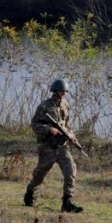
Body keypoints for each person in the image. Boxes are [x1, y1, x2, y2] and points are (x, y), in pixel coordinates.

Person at [24, 78, 84, 213]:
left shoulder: (65, 105)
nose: (63, 93)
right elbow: (34, 124)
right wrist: (49, 129)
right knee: (40, 175)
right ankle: (30, 193)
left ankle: (67, 202)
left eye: (64, 91)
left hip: (62, 146)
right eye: (61, 91)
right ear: (55, 91)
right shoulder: (44, 106)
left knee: (70, 171)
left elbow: (67, 124)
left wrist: (72, 135)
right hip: (48, 147)